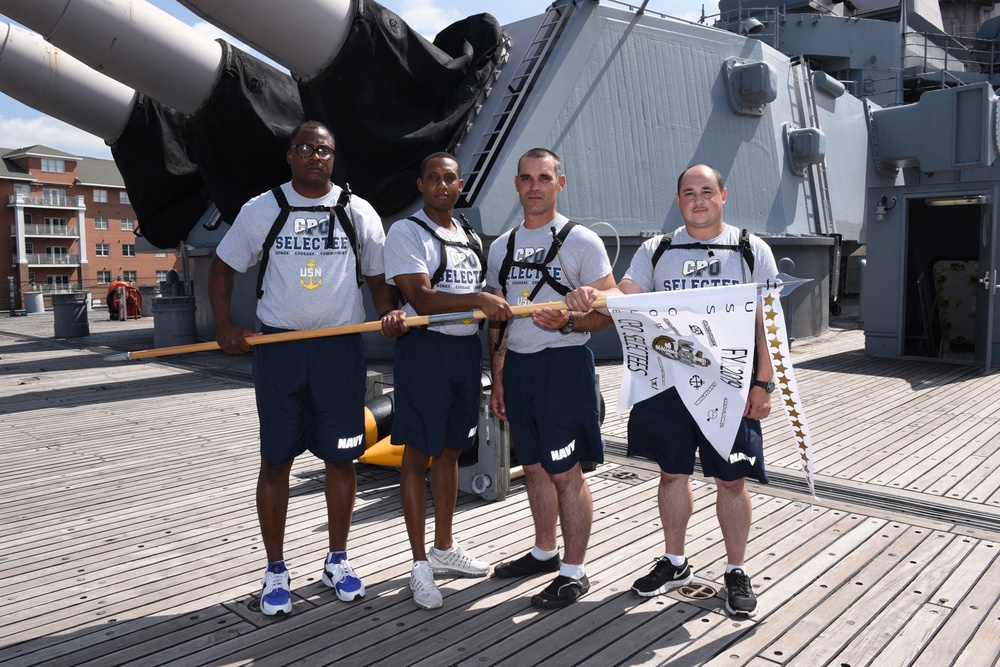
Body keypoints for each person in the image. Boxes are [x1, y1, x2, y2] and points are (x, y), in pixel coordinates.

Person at [565, 163, 778, 618]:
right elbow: (625, 296)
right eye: (688, 192)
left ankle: (735, 569)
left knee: (732, 480)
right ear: (678, 199)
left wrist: (763, 383)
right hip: (668, 386)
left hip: (731, 388)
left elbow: (768, 324)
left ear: (724, 195)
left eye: (707, 191)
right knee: (671, 475)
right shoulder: (657, 249)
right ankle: (676, 561)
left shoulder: (749, 249)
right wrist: (591, 296)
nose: (698, 199)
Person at [208, 121, 400, 616]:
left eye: (325, 150)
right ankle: (276, 568)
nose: (316, 156)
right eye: (305, 149)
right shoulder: (261, 209)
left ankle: (337, 559)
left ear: (334, 158)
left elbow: (379, 283)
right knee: (276, 460)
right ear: (289, 155)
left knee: (342, 459)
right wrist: (225, 323)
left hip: (339, 350)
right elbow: (223, 268)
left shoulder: (358, 212)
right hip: (279, 350)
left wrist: (391, 315)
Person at [380, 152, 513, 609]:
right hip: (426, 351)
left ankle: (442, 548)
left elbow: (491, 302)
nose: (441, 185)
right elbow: (419, 296)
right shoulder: (406, 232)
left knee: (453, 451)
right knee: (418, 454)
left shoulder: (471, 237)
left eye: (449, 179)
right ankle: (419, 564)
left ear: (461, 186)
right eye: (432, 178)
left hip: (463, 352)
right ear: (421, 184)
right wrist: (479, 297)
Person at [486, 147, 616, 608]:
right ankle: (545, 551)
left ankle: (574, 570)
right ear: (518, 185)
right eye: (526, 178)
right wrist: (498, 378)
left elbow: (611, 312)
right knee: (536, 468)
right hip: (518, 369)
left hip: (563, 369)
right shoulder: (501, 247)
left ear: (560, 184)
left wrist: (570, 320)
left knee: (565, 471)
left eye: (544, 178)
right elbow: (498, 320)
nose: (534, 186)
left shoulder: (582, 242)